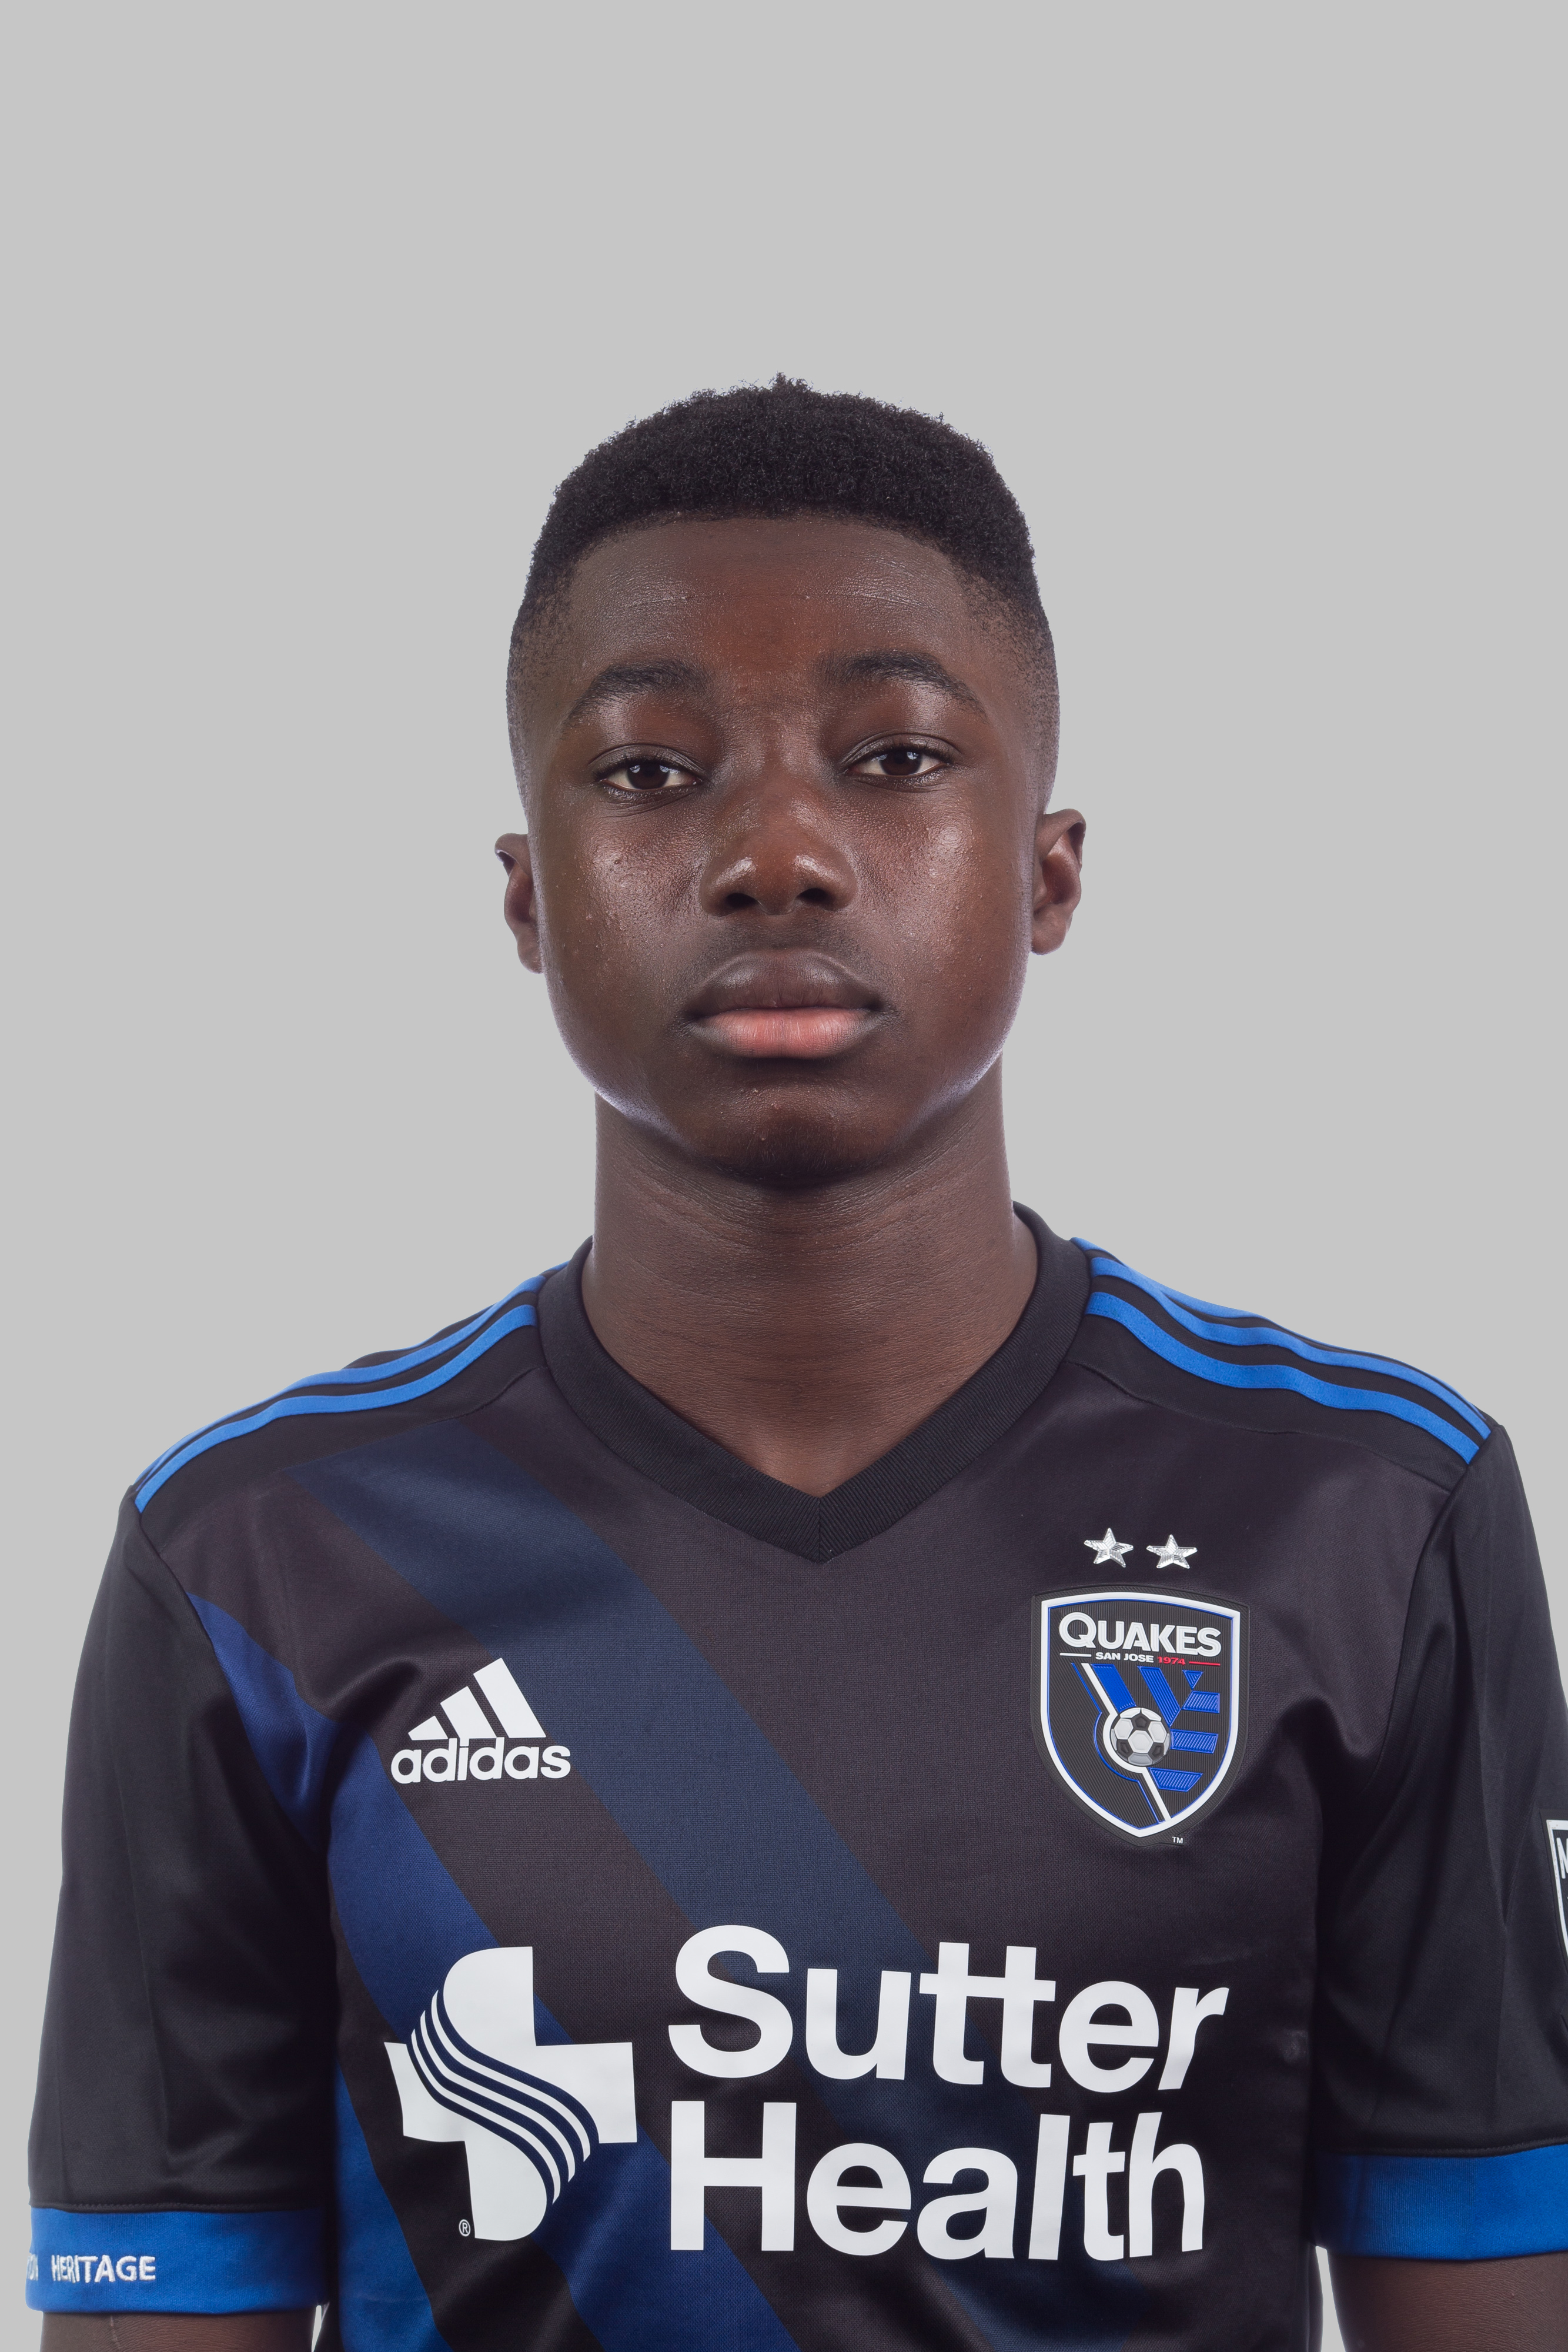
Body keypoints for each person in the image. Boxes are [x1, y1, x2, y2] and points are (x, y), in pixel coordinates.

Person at [29, 380, 1568, 2352]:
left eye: (895, 756)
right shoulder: (257, 1559)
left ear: (1048, 874)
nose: (775, 855)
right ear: (527, 897)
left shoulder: (1365, 1513)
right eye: (651, 772)